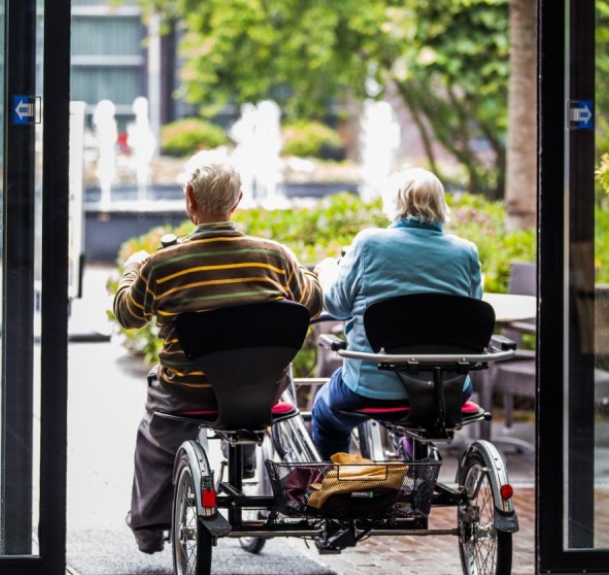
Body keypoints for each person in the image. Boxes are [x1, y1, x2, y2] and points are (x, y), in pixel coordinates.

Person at [113, 151, 323, 554]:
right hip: (260, 392)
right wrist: (309, 273)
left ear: (189, 199)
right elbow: (311, 303)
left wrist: (133, 269)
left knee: (156, 437)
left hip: (187, 391)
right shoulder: (276, 256)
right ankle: (248, 454)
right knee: (279, 367)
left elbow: (128, 315)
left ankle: (148, 525)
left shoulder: (162, 265)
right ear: (238, 200)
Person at [311, 168, 483, 460]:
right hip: (446, 390)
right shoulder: (466, 252)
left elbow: (337, 305)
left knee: (324, 413)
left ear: (395, 204)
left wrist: (328, 272)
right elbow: (469, 313)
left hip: (371, 388)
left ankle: (337, 485)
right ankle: (412, 461)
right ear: (441, 205)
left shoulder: (368, 244)